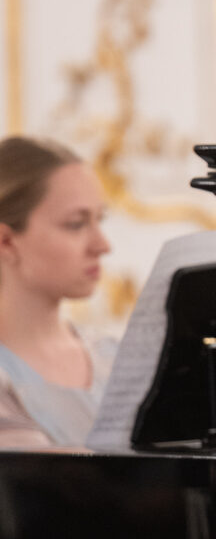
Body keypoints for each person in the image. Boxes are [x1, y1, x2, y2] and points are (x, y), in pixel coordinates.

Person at [0, 136, 113, 448]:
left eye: (99, 220)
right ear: (6, 242)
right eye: (76, 224)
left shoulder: (119, 360)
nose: (102, 245)